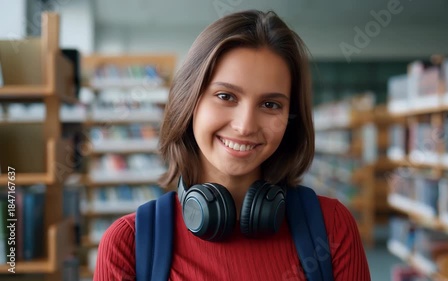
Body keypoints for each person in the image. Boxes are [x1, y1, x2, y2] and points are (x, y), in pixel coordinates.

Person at [94, 10, 371, 281]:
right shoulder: (129, 244)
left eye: (270, 104)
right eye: (226, 96)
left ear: (290, 118)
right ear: (189, 102)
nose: (245, 126)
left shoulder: (331, 227)